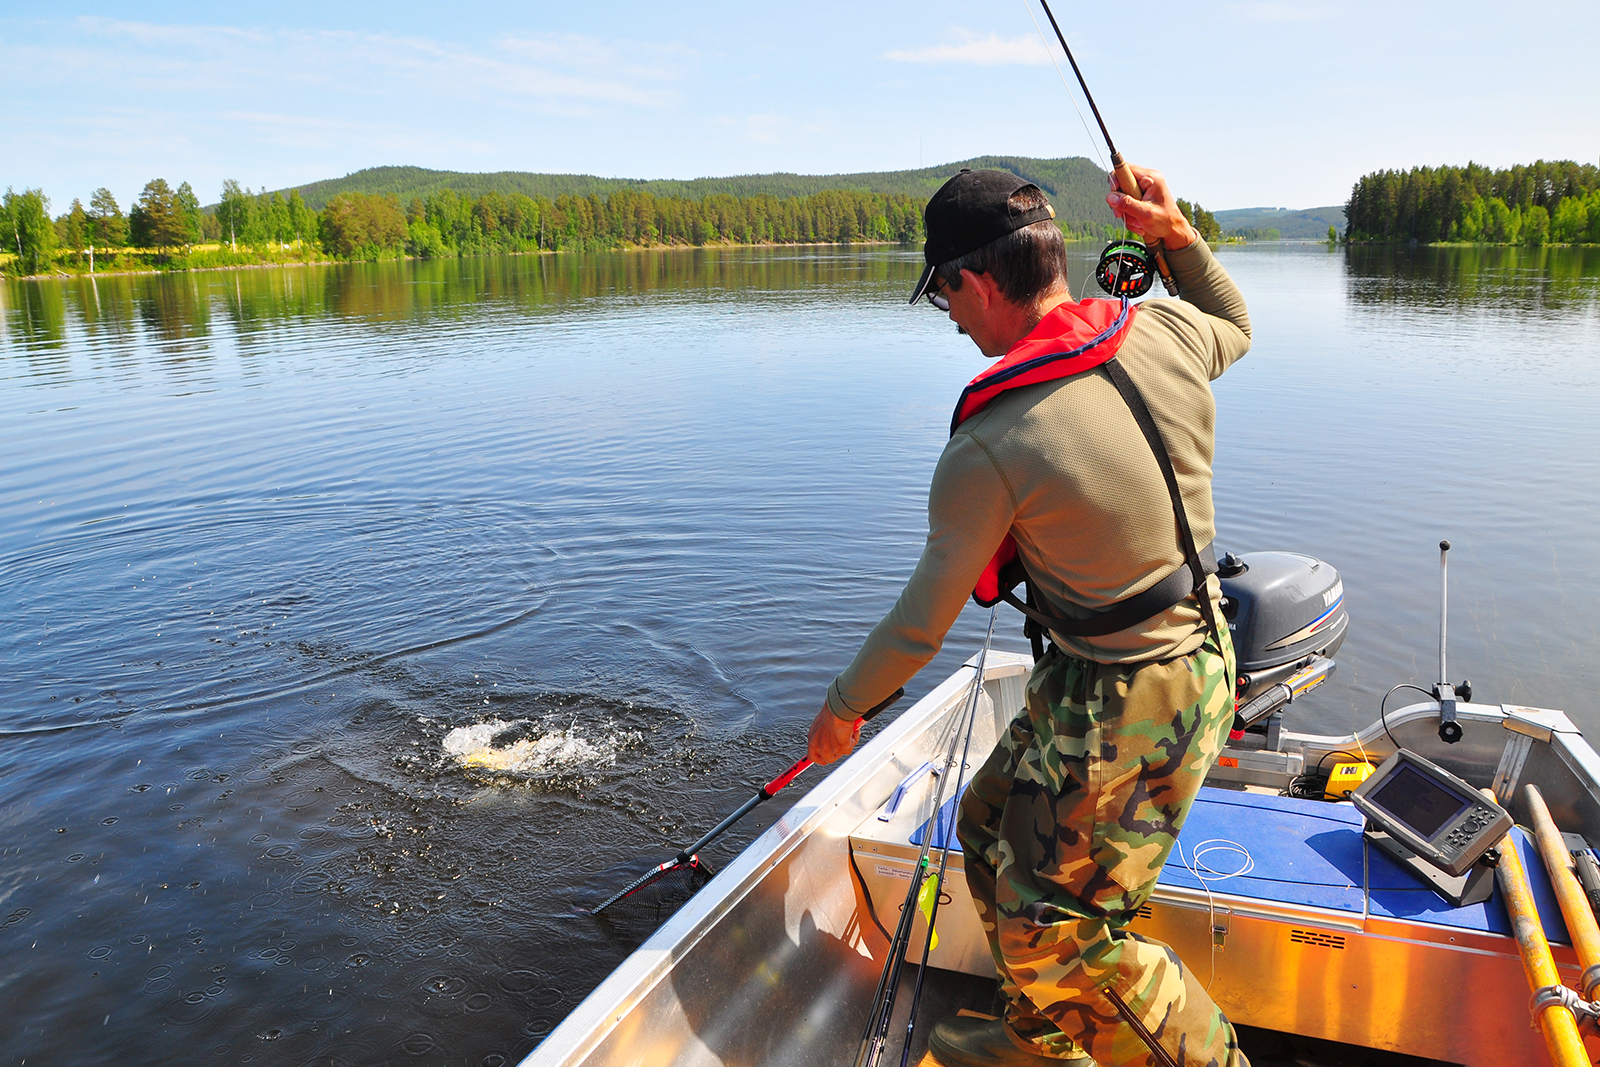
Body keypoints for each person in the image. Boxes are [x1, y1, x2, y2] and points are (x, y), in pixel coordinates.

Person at [806, 164, 1252, 1067]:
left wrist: (843, 708)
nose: (956, 321)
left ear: (973, 280)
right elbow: (1237, 322)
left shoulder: (992, 440)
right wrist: (1176, 237)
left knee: (1061, 930)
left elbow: (918, 627)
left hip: (1139, 694)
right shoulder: (1165, 325)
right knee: (986, 823)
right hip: (1172, 655)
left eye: (945, 300)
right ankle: (1044, 1041)